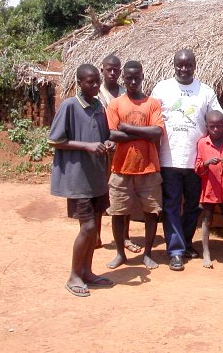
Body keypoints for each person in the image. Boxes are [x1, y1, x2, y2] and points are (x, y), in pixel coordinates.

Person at [151, 49, 223, 271]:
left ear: (194, 66)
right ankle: (176, 251)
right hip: (169, 158)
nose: (183, 69)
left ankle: (187, 242)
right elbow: (151, 117)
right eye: (179, 65)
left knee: (194, 205)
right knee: (171, 205)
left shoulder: (205, 91)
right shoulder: (162, 88)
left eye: (188, 65)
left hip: (198, 161)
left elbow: (221, 118)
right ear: (174, 65)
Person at [48, 63, 115, 297]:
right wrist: (86, 146)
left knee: (94, 227)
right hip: (78, 179)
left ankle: (87, 272)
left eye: (98, 81)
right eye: (90, 82)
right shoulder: (69, 106)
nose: (96, 85)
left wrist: (107, 143)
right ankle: (74, 275)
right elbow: (55, 140)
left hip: (96, 177)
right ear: (79, 83)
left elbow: (104, 136)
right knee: (86, 227)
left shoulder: (98, 107)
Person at [105, 61, 164, 270]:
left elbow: (157, 132)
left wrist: (127, 128)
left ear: (142, 78)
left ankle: (147, 253)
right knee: (118, 213)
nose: (132, 81)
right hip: (121, 168)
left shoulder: (152, 103)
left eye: (136, 78)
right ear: (124, 79)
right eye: (128, 78)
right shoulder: (115, 104)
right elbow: (111, 134)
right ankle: (120, 254)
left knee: (151, 212)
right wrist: (143, 133)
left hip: (148, 167)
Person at [96, 54, 142, 254]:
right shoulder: (96, 94)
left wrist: (120, 137)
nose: (112, 73)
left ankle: (125, 237)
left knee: (124, 194)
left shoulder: (127, 93)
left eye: (116, 70)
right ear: (102, 70)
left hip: (122, 150)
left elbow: (132, 124)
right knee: (98, 192)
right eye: (109, 69)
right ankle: (96, 235)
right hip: (99, 151)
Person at [194, 110, 223, 268]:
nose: (215, 130)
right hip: (209, 190)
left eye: (219, 126)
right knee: (206, 220)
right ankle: (206, 252)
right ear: (207, 126)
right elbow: (198, 168)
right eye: (212, 126)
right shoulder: (202, 143)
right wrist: (207, 163)